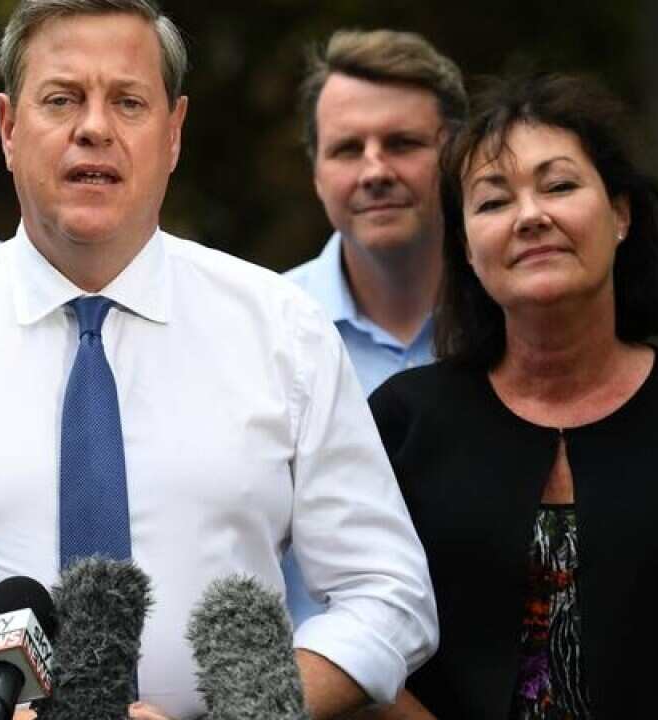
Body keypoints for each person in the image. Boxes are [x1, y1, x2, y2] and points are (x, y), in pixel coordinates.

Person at [0, 2, 436, 719]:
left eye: (128, 102)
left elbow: (387, 595)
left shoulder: (283, 333)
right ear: (7, 128)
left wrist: (248, 713)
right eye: (62, 99)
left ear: (174, 132)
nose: (94, 128)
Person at [368, 73, 658, 718]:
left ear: (620, 214)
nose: (531, 216)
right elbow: (356, 628)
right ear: (467, 249)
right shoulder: (404, 421)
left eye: (560, 185)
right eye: (493, 201)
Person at [282, 28, 465, 623]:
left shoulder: (520, 319)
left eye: (403, 143)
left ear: (458, 155)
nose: (375, 170)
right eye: (347, 149)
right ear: (315, 171)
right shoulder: (265, 330)